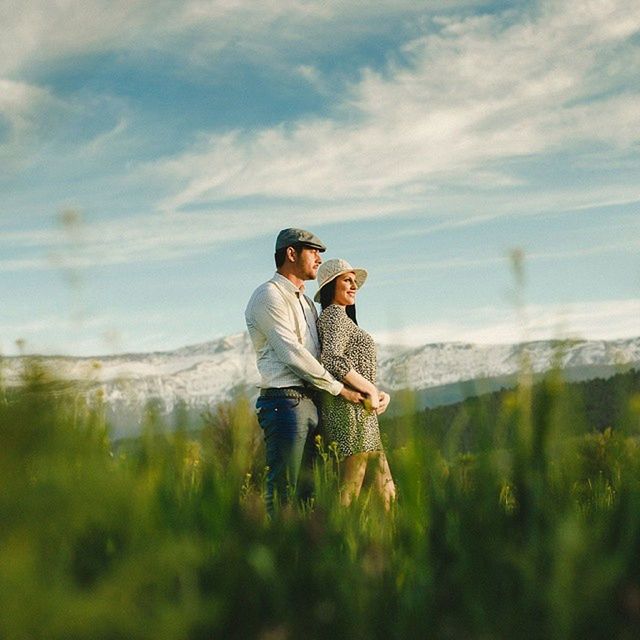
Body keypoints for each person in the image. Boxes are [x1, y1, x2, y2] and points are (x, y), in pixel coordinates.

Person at [245, 229, 363, 515]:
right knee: (285, 487)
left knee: (310, 489)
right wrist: (339, 389)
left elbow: (322, 353)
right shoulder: (268, 296)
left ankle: (302, 554)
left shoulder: (306, 302)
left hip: (310, 401)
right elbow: (292, 354)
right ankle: (281, 550)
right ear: (291, 254)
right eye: (314, 251)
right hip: (284, 403)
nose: (320, 258)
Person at [315, 258, 396, 510]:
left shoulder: (344, 319)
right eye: (346, 281)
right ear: (331, 285)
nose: (353, 286)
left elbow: (356, 369)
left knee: (387, 492)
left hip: (362, 414)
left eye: (354, 282)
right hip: (347, 415)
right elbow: (331, 358)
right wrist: (370, 390)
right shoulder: (333, 316)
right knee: (350, 491)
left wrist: (379, 393)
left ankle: (392, 546)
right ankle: (336, 545)